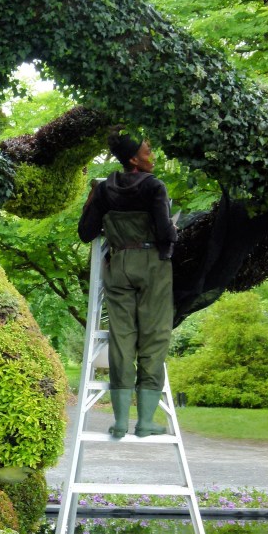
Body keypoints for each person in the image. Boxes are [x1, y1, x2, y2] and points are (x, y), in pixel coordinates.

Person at [78, 132, 178, 439]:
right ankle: (145, 422)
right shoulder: (154, 186)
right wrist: (174, 229)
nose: (152, 157)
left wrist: (92, 200)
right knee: (154, 337)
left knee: (121, 339)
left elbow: (86, 233)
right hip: (152, 266)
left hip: (119, 264)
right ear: (134, 158)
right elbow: (165, 233)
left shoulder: (104, 189)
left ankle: (120, 421)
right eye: (148, 151)